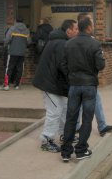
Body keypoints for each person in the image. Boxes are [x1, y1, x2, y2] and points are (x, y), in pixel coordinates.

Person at [61, 16, 105, 162]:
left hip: (74, 85)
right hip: (89, 86)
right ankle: (81, 150)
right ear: (89, 27)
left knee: (71, 118)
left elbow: (63, 64)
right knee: (87, 119)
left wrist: (71, 76)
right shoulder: (95, 44)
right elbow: (100, 65)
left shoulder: (69, 44)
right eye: (92, 25)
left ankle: (66, 152)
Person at [32, 19, 78, 153]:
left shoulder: (60, 40)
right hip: (49, 83)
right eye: (75, 29)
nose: (77, 32)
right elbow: (63, 66)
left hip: (54, 83)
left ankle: (65, 134)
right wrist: (74, 79)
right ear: (68, 30)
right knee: (55, 110)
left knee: (63, 108)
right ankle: (46, 140)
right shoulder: (61, 43)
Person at [74, 13, 112, 137]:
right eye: (91, 21)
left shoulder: (83, 40)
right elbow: (98, 62)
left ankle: (101, 126)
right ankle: (82, 126)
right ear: (85, 24)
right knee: (83, 103)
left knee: (94, 100)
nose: (93, 23)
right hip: (85, 79)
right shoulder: (84, 40)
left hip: (84, 78)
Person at [2, 18, 31, 90]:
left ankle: (6, 85)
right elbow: (29, 42)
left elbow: (7, 39)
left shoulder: (12, 28)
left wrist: (5, 45)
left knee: (9, 68)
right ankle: (17, 85)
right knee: (20, 68)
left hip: (12, 52)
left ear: (15, 21)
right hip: (22, 53)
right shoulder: (26, 30)